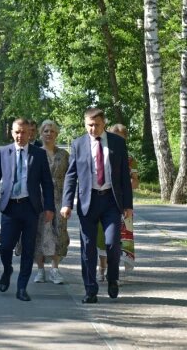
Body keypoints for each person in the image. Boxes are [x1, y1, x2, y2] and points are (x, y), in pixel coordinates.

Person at [61, 108, 134, 304]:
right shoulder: (78, 144)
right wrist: (66, 203)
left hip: (111, 200)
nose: (93, 129)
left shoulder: (117, 143)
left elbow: (124, 177)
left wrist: (128, 204)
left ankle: (112, 278)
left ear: (104, 124)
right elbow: (71, 175)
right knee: (88, 248)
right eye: (89, 125)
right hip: (88, 202)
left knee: (111, 243)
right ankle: (90, 290)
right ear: (85, 124)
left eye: (96, 125)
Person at [0, 118, 54, 301]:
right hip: (10, 207)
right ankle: (7, 269)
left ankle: (22, 287)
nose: (20, 136)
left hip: (30, 208)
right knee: (5, 246)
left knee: (28, 248)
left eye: (23, 132)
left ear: (29, 133)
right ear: (12, 132)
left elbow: (47, 183)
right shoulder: (3, 152)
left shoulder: (38, 154)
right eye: (16, 132)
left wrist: (49, 207)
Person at [30, 119, 70, 285]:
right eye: (45, 131)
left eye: (52, 131)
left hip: (59, 198)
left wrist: (70, 201)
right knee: (39, 233)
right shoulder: (35, 153)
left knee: (58, 233)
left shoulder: (64, 155)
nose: (49, 134)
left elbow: (71, 178)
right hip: (38, 199)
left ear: (57, 134)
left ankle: (55, 269)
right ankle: (40, 270)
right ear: (41, 133)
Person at [100, 123, 138, 279]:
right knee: (103, 236)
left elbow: (136, 182)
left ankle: (118, 271)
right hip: (105, 201)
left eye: (122, 139)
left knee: (124, 237)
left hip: (123, 202)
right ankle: (102, 268)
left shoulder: (130, 159)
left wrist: (124, 184)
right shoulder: (103, 153)